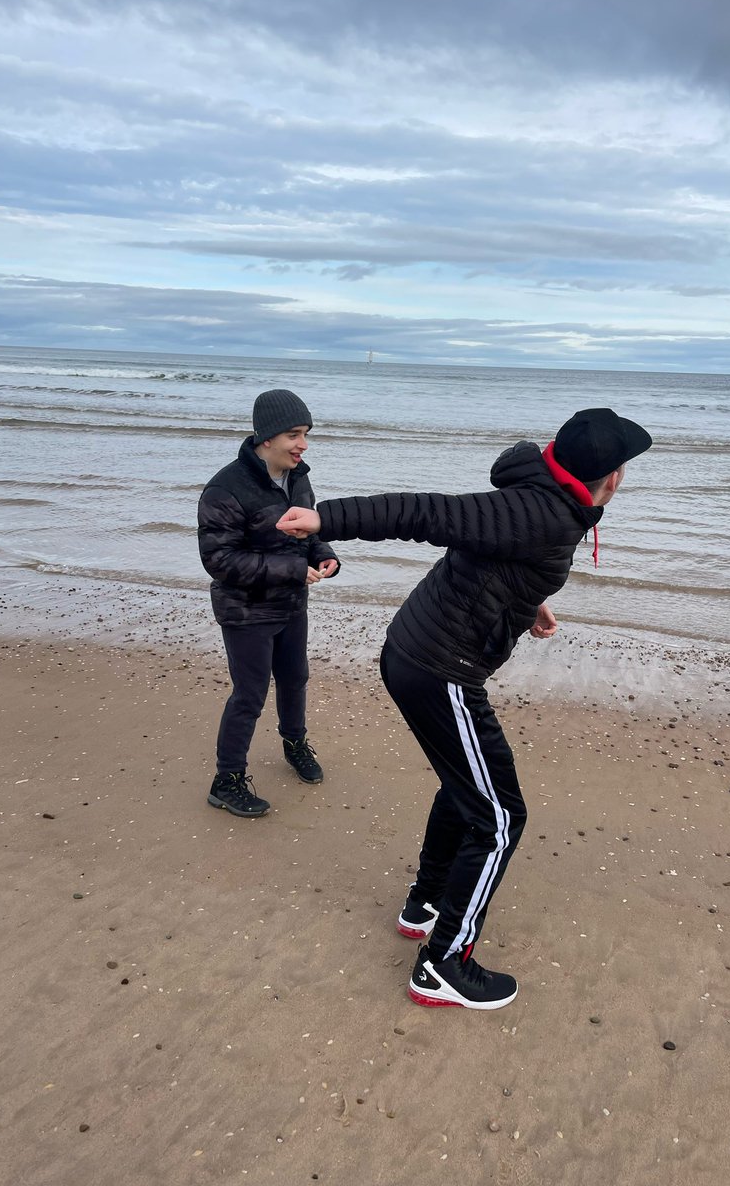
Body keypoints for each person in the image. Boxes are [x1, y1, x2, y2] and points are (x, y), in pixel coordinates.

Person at [277, 407, 651, 1009]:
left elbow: (496, 560)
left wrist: (528, 605)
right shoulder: (539, 511)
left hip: (417, 651)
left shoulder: (548, 495)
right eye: (625, 468)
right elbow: (425, 512)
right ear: (609, 477)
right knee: (501, 818)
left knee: (465, 789)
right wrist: (326, 518)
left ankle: (426, 905)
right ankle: (444, 963)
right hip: (438, 669)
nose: (626, 477)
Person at [198, 389, 340, 818]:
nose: (303, 444)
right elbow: (218, 561)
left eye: (306, 434)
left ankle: (295, 745)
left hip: (291, 604)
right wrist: (291, 570)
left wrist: (322, 555)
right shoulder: (225, 489)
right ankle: (226, 781)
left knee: (296, 679)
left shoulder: (299, 478)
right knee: (250, 694)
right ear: (266, 438)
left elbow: (308, 530)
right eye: (294, 435)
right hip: (246, 611)